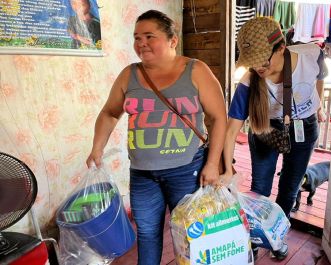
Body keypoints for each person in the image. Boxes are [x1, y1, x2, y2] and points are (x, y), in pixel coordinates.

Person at [86, 10, 226, 265]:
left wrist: (213, 163)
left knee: (192, 233)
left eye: (150, 36)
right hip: (142, 174)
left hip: (187, 170)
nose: (141, 43)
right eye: (137, 37)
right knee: (148, 234)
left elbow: (218, 118)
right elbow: (109, 112)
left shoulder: (196, 71)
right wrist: (97, 147)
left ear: (172, 40)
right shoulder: (129, 75)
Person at [222, 17, 327, 260]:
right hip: (265, 130)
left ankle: (277, 237)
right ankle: (256, 237)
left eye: (263, 60)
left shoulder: (312, 55)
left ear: (281, 48)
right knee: (260, 190)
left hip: (304, 128)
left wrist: (318, 106)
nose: (258, 68)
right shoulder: (249, 82)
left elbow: (320, 75)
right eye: (253, 63)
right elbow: (230, 130)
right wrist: (227, 168)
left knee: (289, 189)